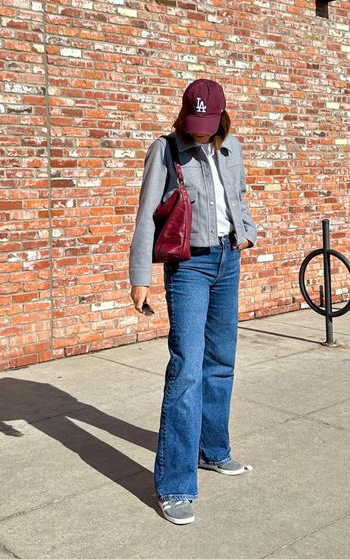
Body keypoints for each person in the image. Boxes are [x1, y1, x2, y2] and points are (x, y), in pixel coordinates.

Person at [129, 79, 257, 525]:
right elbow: (146, 214)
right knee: (186, 368)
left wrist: (247, 233)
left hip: (228, 259)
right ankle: (175, 484)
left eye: (209, 123)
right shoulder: (164, 150)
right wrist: (139, 277)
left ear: (222, 117)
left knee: (221, 361)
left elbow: (236, 197)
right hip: (189, 267)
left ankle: (212, 450)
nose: (201, 131)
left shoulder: (233, 147)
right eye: (194, 122)